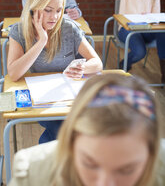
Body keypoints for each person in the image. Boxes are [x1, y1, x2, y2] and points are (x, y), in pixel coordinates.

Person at [8, 73, 165, 186]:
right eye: (89, 164)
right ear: (71, 142)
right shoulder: (33, 174)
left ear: (152, 153)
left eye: (127, 170)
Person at [7, 0, 103, 143]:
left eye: (59, 10)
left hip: (69, 99)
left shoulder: (68, 28)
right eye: (48, 10)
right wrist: (42, 41)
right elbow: (14, 74)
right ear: (34, 8)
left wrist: (83, 68)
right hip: (43, 102)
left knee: (59, 134)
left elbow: (97, 62)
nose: (55, 17)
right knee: (65, 131)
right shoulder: (19, 30)